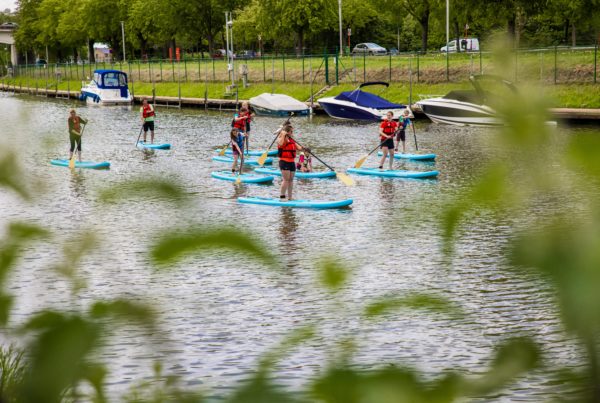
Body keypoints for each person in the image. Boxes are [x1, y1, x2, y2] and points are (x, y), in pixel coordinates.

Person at [277, 124, 303, 200]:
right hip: (284, 161)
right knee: (286, 180)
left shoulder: (292, 140)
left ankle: (290, 197)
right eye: (291, 132)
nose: (292, 133)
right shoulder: (281, 139)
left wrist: (304, 148)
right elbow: (280, 144)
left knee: (291, 180)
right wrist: (283, 134)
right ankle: (282, 197)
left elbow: (299, 148)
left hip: (292, 162)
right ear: (288, 132)